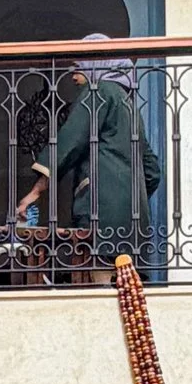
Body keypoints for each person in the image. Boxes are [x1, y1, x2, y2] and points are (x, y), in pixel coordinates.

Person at [20, 37, 159, 271]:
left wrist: (36, 191)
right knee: (127, 292)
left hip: (101, 217)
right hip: (134, 224)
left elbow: (70, 141)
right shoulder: (128, 104)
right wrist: (128, 196)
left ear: (97, 62)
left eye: (78, 65)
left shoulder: (98, 91)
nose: (73, 76)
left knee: (99, 288)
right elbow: (152, 171)